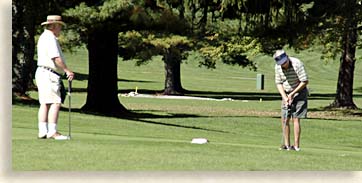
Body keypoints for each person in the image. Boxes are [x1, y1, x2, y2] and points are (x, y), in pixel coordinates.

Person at [35, 15, 74, 140]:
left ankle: (43, 131)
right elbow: (55, 58)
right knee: (55, 102)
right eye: (60, 26)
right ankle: (52, 131)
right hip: (49, 73)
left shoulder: (44, 37)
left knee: (45, 103)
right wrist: (67, 70)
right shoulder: (50, 38)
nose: (60, 29)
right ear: (55, 25)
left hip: (42, 72)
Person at [274, 50, 308, 151]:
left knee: (296, 118)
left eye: (284, 62)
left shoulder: (297, 64)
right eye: (281, 64)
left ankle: (296, 146)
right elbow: (279, 83)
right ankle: (286, 145)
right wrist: (285, 97)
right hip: (286, 92)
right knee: (285, 118)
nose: (283, 65)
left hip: (299, 92)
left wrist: (292, 94)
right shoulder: (277, 67)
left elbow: (304, 81)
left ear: (287, 58)